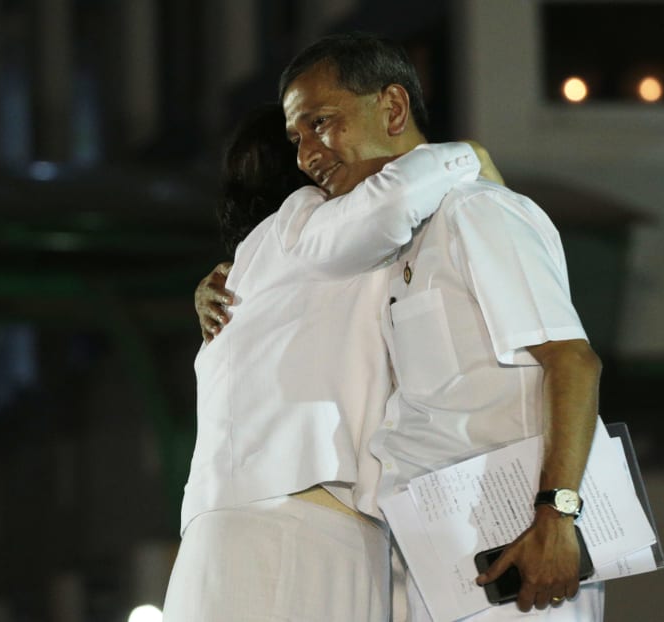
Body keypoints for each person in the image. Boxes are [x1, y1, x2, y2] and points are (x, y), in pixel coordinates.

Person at [200, 32, 605, 620]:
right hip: (433, 559)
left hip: (519, 548)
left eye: (322, 122)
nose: (308, 153)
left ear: (391, 107)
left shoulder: (477, 211)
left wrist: (556, 514)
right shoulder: (390, 243)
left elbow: (572, 359)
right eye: (296, 138)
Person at [163, 101, 484, 621]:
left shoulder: (253, 272)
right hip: (297, 533)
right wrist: (468, 155)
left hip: (225, 537)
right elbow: (400, 194)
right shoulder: (305, 220)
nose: (319, 152)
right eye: (305, 139)